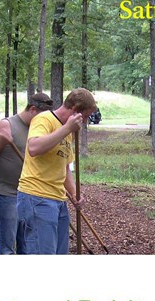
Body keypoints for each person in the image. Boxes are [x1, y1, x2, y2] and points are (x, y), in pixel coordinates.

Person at [17, 88, 97, 254]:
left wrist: (74, 194)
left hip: (58, 200)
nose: (85, 121)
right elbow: (34, 147)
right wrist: (67, 129)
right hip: (37, 197)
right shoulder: (44, 119)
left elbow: (65, 167)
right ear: (75, 110)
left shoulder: (67, 130)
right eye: (86, 116)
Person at [0, 93, 54, 254]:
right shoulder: (7, 125)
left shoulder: (41, 129)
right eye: (42, 116)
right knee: (6, 247)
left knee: (27, 247)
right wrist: (1, 141)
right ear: (33, 109)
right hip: (5, 195)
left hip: (29, 195)